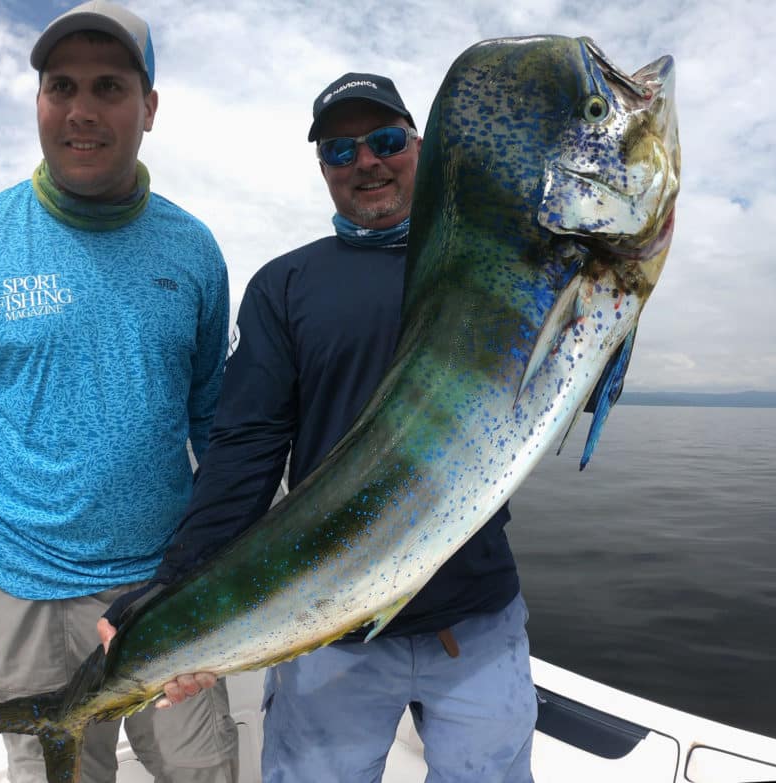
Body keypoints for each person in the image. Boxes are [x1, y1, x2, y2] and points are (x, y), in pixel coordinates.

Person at [101, 73, 539, 782]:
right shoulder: (285, 284)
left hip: (477, 620)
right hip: (327, 624)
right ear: (324, 169)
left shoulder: (485, 265)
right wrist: (176, 589)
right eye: (340, 151)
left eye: (385, 140)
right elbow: (243, 449)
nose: (365, 161)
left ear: (419, 146)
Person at [0, 2, 239, 781]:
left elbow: (217, 424)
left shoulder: (195, 249)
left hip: (165, 585)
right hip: (21, 590)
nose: (81, 110)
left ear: (149, 107)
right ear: (38, 101)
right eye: (60, 86)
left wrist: (226, 568)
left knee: (203, 770)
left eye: (109, 87)